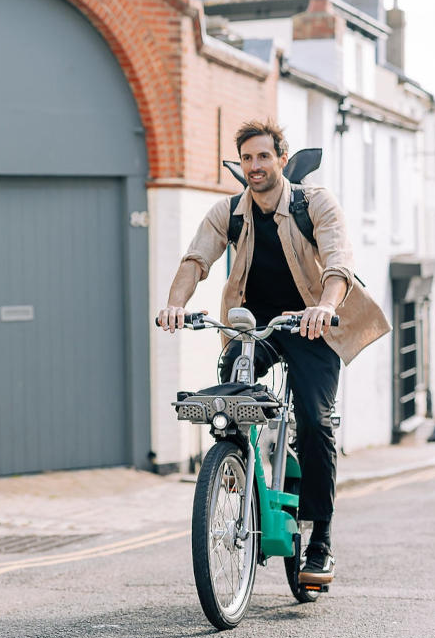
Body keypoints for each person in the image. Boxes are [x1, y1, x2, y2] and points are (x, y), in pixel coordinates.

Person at [157, 119, 389, 587]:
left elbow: (339, 261)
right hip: (255, 325)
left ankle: (320, 537)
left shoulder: (314, 202)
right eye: (247, 158)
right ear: (240, 164)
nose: (255, 166)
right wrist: (175, 306)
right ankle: (237, 461)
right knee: (226, 393)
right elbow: (195, 260)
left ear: (282, 159)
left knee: (315, 420)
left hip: (309, 323)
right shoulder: (229, 212)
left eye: (264, 156)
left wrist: (323, 307)